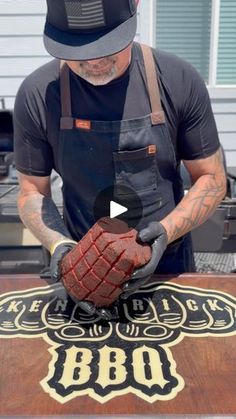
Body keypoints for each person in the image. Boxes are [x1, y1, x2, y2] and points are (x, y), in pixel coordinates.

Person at [13, 0, 226, 318]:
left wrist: (164, 233)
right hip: (82, 276)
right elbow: (31, 190)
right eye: (78, 51)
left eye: (107, 44)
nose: (93, 60)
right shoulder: (38, 94)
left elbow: (212, 178)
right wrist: (59, 246)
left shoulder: (178, 80)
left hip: (166, 272)